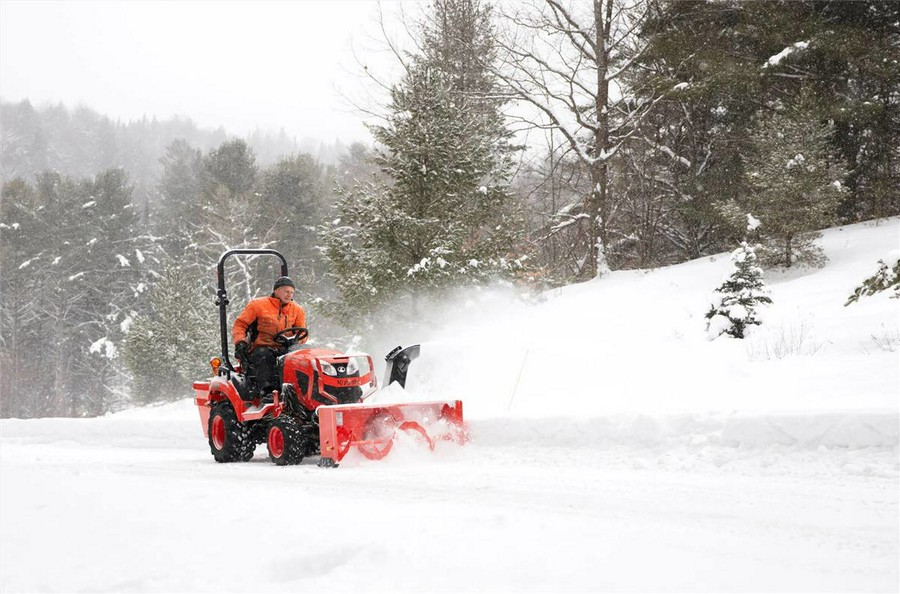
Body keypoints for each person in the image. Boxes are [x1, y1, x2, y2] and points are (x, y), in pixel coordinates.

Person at [232, 276, 306, 398]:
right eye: (286, 291)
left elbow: (302, 333)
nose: (289, 295)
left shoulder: (297, 310)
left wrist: (296, 341)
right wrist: (240, 342)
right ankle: (268, 392)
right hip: (262, 347)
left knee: (305, 355)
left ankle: (304, 391)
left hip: (287, 347)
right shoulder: (258, 305)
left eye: (292, 292)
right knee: (264, 355)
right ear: (276, 290)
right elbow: (240, 324)